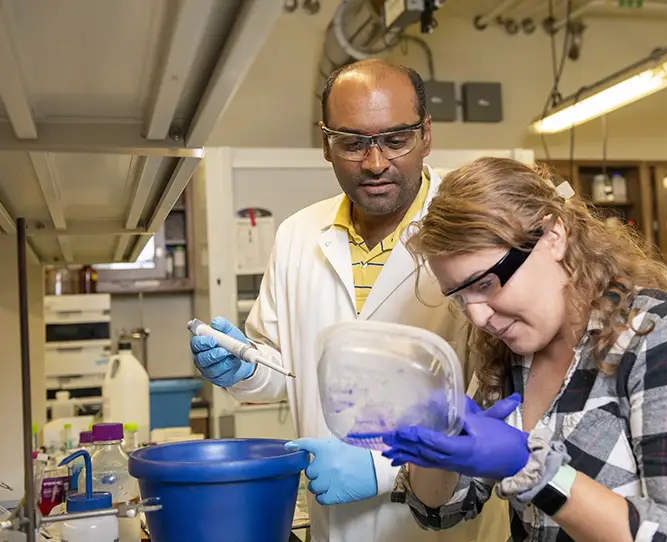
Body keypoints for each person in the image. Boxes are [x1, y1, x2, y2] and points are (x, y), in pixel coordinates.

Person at [190, 60, 503, 542]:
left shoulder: (475, 229)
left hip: (448, 525)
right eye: (353, 143)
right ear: (325, 143)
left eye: (396, 140)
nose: (375, 163)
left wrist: (380, 470)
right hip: (335, 524)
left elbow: (502, 398)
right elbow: (290, 370)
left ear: (426, 135)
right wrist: (246, 367)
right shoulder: (297, 234)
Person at [382, 157, 667, 542]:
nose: (477, 316)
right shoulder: (509, 354)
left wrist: (535, 470)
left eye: (487, 283)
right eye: (459, 296)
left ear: (553, 237)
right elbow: (444, 509)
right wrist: (437, 446)